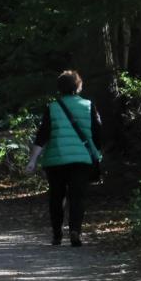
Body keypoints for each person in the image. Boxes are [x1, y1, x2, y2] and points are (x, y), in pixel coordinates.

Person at [25, 69, 103, 247]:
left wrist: (33, 161)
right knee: (78, 196)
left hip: (56, 160)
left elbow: (42, 136)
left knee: (56, 197)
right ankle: (75, 231)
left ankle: (57, 234)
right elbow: (98, 132)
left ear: (59, 88)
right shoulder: (89, 105)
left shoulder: (52, 108)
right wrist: (97, 152)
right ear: (78, 86)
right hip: (81, 160)